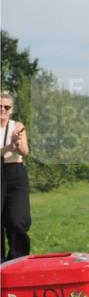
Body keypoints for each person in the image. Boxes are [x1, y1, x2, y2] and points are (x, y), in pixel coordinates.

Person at [0, 91, 30, 261]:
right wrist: (9, 146)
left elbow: (25, 151)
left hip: (15, 174)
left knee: (18, 219)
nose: (2, 109)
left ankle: (18, 261)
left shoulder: (17, 126)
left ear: (11, 109)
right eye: (0, 106)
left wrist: (17, 143)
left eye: (6, 107)